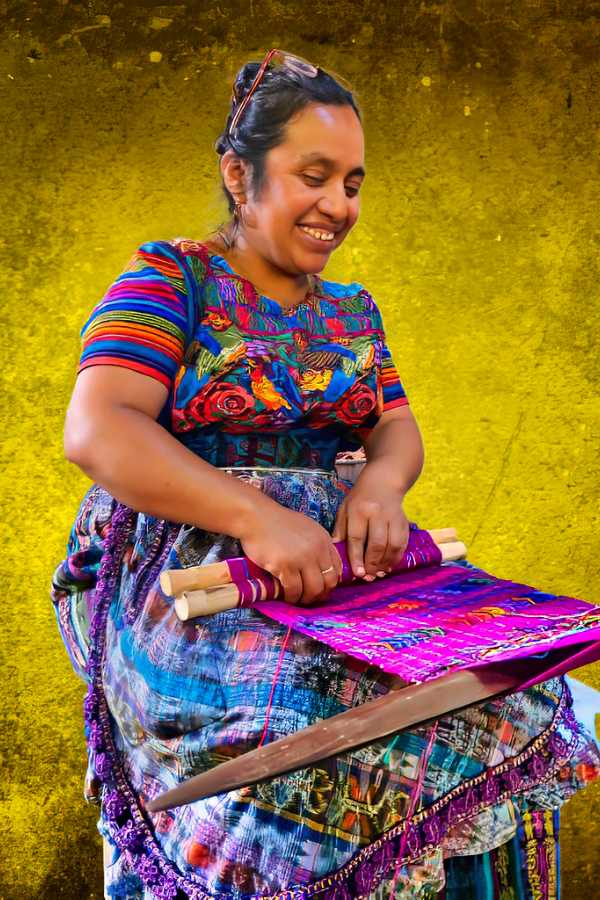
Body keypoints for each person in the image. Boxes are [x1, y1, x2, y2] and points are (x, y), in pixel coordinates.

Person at [52, 49, 599, 900]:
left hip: (334, 573)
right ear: (239, 174)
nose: (338, 206)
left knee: (507, 689)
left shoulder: (352, 312)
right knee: (301, 718)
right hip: (197, 576)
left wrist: (382, 488)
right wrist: (257, 520)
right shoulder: (171, 279)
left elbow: (395, 427)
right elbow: (99, 429)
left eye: (352, 183)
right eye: (315, 176)